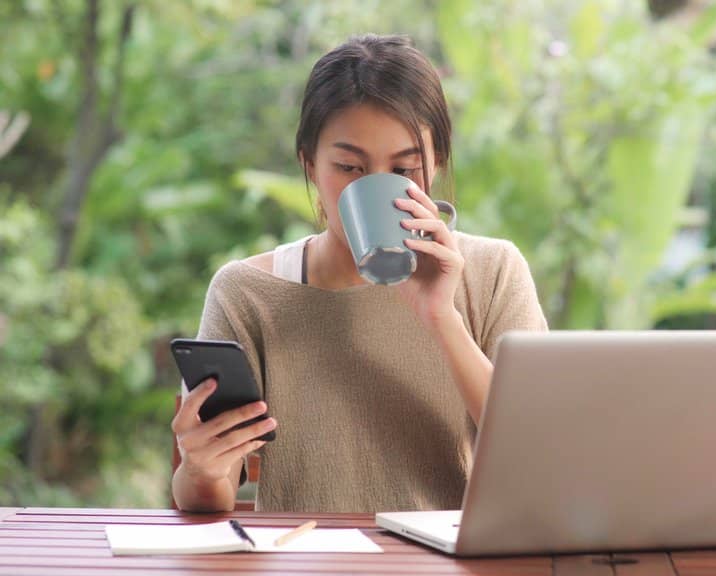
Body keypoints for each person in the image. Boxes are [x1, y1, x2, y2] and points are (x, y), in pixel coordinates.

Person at [171, 34, 548, 513]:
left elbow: (537, 454)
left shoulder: (493, 273)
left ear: (436, 163)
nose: (376, 189)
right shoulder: (248, 293)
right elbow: (208, 493)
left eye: (405, 168)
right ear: (309, 165)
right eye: (350, 167)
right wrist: (200, 469)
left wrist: (442, 317)